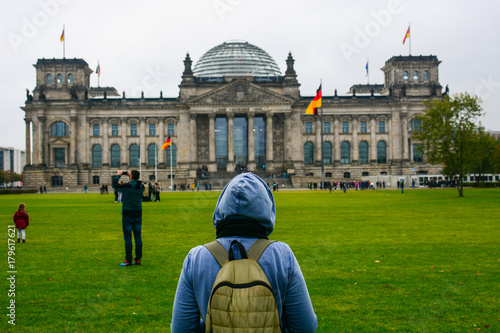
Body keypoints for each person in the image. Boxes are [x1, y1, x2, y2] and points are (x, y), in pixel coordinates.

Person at [171, 173, 317, 332]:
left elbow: (181, 329)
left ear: (221, 206)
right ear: (265, 207)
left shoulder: (197, 258)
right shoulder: (282, 256)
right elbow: (305, 327)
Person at [112, 170, 145, 266]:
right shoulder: (141, 186)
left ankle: (128, 260)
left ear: (131, 177)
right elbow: (135, 183)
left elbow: (114, 185)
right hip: (138, 215)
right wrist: (131, 176)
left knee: (128, 238)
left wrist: (119, 175)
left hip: (127, 215)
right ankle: (138, 259)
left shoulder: (127, 186)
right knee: (138, 237)